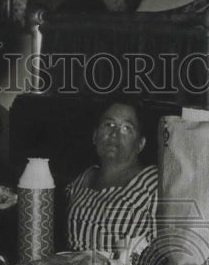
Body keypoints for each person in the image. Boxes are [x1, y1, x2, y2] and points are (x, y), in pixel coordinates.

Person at [65, 99, 158, 254]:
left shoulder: (153, 185)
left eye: (127, 128)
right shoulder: (83, 179)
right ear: (95, 136)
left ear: (140, 144)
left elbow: (163, 253)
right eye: (108, 125)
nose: (114, 134)